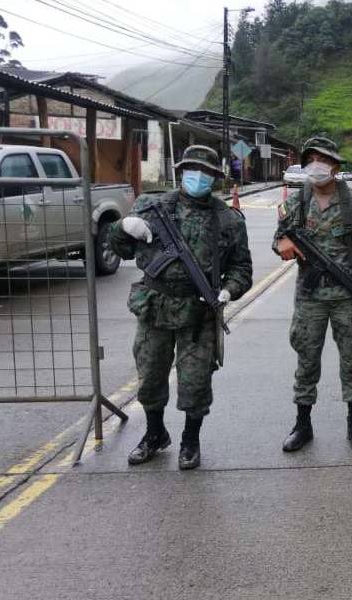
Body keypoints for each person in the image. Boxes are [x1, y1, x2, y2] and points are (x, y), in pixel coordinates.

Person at [110, 145, 252, 470]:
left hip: (199, 311)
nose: (198, 176)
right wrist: (121, 228)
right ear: (181, 171)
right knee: (149, 376)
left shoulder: (228, 220)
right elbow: (122, 249)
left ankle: (190, 440)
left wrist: (229, 291)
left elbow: (242, 269)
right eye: (192, 169)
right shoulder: (151, 205)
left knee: (195, 381)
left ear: (215, 178)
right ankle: (155, 433)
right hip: (155, 305)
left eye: (205, 172)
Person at [273, 135, 352, 452]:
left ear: (335, 166)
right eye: (310, 160)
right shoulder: (296, 202)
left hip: (347, 295)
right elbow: (279, 240)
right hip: (309, 295)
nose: (315, 166)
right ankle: (302, 424)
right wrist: (283, 246)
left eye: (322, 160)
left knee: (351, 360)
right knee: (307, 361)